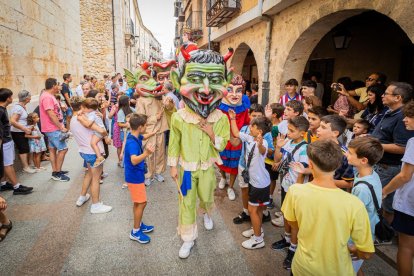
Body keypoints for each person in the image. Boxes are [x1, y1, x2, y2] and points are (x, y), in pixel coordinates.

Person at [169, 48, 232, 259]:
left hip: (207, 169)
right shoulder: (178, 117)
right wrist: (171, 166)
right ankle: (188, 238)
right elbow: (174, 143)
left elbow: (222, 145)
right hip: (186, 169)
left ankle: (205, 212)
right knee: (186, 202)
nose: (206, 90)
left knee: (206, 196)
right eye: (196, 78)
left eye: (214, 80)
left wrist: (212, 133)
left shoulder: (221, 118)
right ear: (179, 80)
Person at [282, 140, 374, 274]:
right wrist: (354, 250)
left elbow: (293, 224)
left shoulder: (295, 191)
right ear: (338, 165)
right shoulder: (355, 204)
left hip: (303, 267)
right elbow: (366, 252)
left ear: (311, 165)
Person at [371, 82, 414, 227]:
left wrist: (375, 144)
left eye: (386, 93)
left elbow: (402, 147)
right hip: (380, 164)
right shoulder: (389, 112)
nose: (382, 96)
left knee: (383, 203)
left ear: (398, 98)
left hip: (388, 166)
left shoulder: (404, 117)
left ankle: (385, 232)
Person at [228, 109, 272, 249]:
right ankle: (257, 229)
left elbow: (263, 150)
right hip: (255, 181)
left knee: (253, 210)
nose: (249, 128)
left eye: (252, 126)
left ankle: (258, 239)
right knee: (257, 210)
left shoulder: (262, 142)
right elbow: (236, 133)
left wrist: (259, 144)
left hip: (260, 184)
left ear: (258, 131)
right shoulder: (249, 138)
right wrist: (232, 118)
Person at [271, 116, 310, 270]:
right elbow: (277, 160)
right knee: (286, 215)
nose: (288, 132)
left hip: (297, 190)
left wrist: (297, 192)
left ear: (302, 133)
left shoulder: (305, 149)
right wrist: (278, 148)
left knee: (294, 222)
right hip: (286, 185)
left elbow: (303, 172)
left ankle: (294, 249)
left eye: (291, 131)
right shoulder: (288, 142)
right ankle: (287, 240)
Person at [382, 100, 414, 275]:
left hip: (410, 202)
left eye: (409, 117)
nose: (405, 120)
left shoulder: (413, 143)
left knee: (406, 247)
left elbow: (405, 176)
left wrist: (384, 191)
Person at [346, 137, 384, 275]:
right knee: (355, 267)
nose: (346, 154)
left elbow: (354, 217)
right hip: (367, 230)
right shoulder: (371, 175)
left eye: (350, 153)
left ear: (363, 160)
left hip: (357, 237)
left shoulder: (362, 189)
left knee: (348, 269)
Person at [69, 96, 112, 214]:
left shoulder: (73, 119)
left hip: (84, 151)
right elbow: (102, 131)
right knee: (96, 178)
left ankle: (82, 197)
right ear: (82, 106)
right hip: (93, 152)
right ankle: (96, 205)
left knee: (88, 174)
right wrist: (101, 122)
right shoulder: (83, 118)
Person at [130, 64, 169, 186]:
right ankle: (148, 175)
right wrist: (154, 118)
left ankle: (158, 172)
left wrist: (170, 103)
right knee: (149, 153)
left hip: (160, 129)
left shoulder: (159, 96)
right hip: (149, 131)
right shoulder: (141, 100)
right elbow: (140, 118)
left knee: (161, 152)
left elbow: (168, 108)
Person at [217, 74, 250, 201]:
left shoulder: (244, 106)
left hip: (237, 140)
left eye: (239, 91)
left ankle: (230, 186)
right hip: (222, 139)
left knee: (234, 166)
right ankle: (223, 178)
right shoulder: (219, 105)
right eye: (229, 90)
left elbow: (248, 122)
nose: (234, 94)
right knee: (220, 162)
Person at [124, 114, 155, 244]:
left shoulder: (134, 136)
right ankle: (135, 232)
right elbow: (134, 160)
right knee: (142, 202)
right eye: (145, 125)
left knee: (137, 202)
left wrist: (154, 132)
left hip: (135, 175)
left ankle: (139, 224)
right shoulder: (132, 143)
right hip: (134, 177)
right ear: (140, 126)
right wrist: (146, 153)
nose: (146, 127)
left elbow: (144, 136)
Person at [0, 88, 33, 195]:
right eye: (10, 96)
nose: (12, 98)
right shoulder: (1, 111)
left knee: (6, 163)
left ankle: (3, 183)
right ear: (7, 98)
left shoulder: (3, 109)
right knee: (8, 164)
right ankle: (16, 186)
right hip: (5, 141)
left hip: (6, 140)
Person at [39, 78, 70, 181]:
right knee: (63, 149)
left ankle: (55, 170)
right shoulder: (47, 97)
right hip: (52, 128)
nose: (59, 86)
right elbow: (51, 114)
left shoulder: (47, 96)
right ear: (53, 86)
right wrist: (61, 127)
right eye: (57, 85)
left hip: (51, 128)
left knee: (52, 149)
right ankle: (57, 173)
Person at [10, 90, 35, 173]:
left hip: (20, 131)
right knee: (23, 149)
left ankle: (28, 165)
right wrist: (25, 129)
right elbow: (13, 121)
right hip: (17, 132)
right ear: (26, 98)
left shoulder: (21, 107)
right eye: (29, 97)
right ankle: (25, 167)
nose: (30, 99)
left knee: (25, 148)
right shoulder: (18, 108)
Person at [81, 98, 111, 167]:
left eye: (84, 108)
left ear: (89, 109)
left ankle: (99, 157)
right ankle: (100, 156)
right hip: (101, 131)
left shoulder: (92, 114)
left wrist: (82, 120)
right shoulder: (94, 112)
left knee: (93, 143)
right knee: (95, 143)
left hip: (99, 132)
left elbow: (88, 124)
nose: (83, 110)